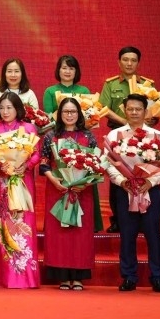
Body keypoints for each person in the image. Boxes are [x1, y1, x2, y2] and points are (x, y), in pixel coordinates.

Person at [105, 93, 160, 293]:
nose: (134, 112)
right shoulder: (114, 135)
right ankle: (129, 276)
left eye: (138, 109)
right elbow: (108, 162)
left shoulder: (157, 136)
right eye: (130, 109)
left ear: (145, 111)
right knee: (127, 234)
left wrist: (150, 181)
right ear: (125, 111)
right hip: (125, 190)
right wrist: (122, 181)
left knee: (153, 233)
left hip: (150, 190)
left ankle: (157, 277)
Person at [0, 91, 41, 289]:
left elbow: (36, 154)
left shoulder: (28, 128)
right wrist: (1, 165)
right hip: (1, 183)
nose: (5, 111)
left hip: (23, 181)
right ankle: (5, 277)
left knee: (23, 223)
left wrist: (26, 165)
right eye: (2, 108)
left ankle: (27, 277)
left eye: (9, 107)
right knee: (4, 226)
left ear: (18, 109)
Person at [41, 97, 99, 290]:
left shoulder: (88, 136)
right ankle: (63, 276)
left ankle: (79, 276)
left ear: (79, 114)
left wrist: (84, 182)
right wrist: (53, 180)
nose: (69, 115)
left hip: (82, 191)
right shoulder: (50, 136)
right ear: (59, 114)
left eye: (73, 111)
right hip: (57, 189)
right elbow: (43, 163)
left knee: (80, 234)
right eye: (65, 111)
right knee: (60, 233)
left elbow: (96, 165)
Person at [42, 54, 101, 232]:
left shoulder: (84, 90)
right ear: (58, 70)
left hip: (80, 139)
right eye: (64, 68)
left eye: (71, 68)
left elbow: (91, 117)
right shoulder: (50, 91)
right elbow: (48, 119)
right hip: (58, 140)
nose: (67, 71)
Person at [98, 46, 153, 234]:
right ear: (119, 62)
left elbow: (156, 108)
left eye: (133, 60)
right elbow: (103, 108)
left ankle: (143, 215)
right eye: (125, 60)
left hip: (143, 136)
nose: (129, 63)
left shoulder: (147, 85)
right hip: (118, 135)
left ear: (138, 63)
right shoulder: (111, 84)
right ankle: (118, 220)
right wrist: (125, 122)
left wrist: (149, 119)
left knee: (143, 173)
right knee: (118, 175)